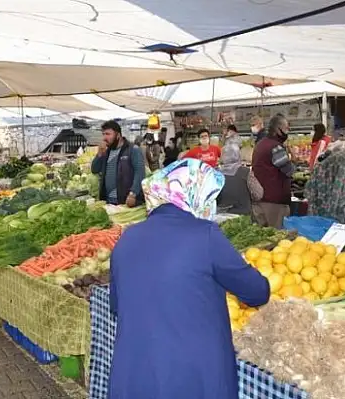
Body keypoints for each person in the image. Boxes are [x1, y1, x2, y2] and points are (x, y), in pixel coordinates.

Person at [108, 158, 270, 399]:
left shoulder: (127, 238)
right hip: (190, 376)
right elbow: (257, 292)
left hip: (134, 374)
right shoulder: (205, 235)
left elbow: (117, 306)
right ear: (195, 193)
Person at [251, 114, 293, 229]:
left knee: (262, 239)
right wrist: (291, 156)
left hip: (259, 199)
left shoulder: (260, 144)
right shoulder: (276, 147)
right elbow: (289, 171)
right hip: (274, 202)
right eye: (286, 128)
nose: (287, 132)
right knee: (277, 239)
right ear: (278, 129)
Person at [91, 120, 145, 207]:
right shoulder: (106, 151)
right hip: (108, 201)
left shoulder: (133, 149)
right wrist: (99, 154)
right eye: (103, 134)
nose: (104, 138)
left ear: (118, 135)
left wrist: (133, 194)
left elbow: (140, 173)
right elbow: (94, 170)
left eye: (108, 134)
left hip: (125, 201)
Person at [217, 133, 252, 215]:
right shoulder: (245, 172)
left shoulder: (215, 173)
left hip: (219, 214)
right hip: (243, 214)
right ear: (238, 155)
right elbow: (258, 194)